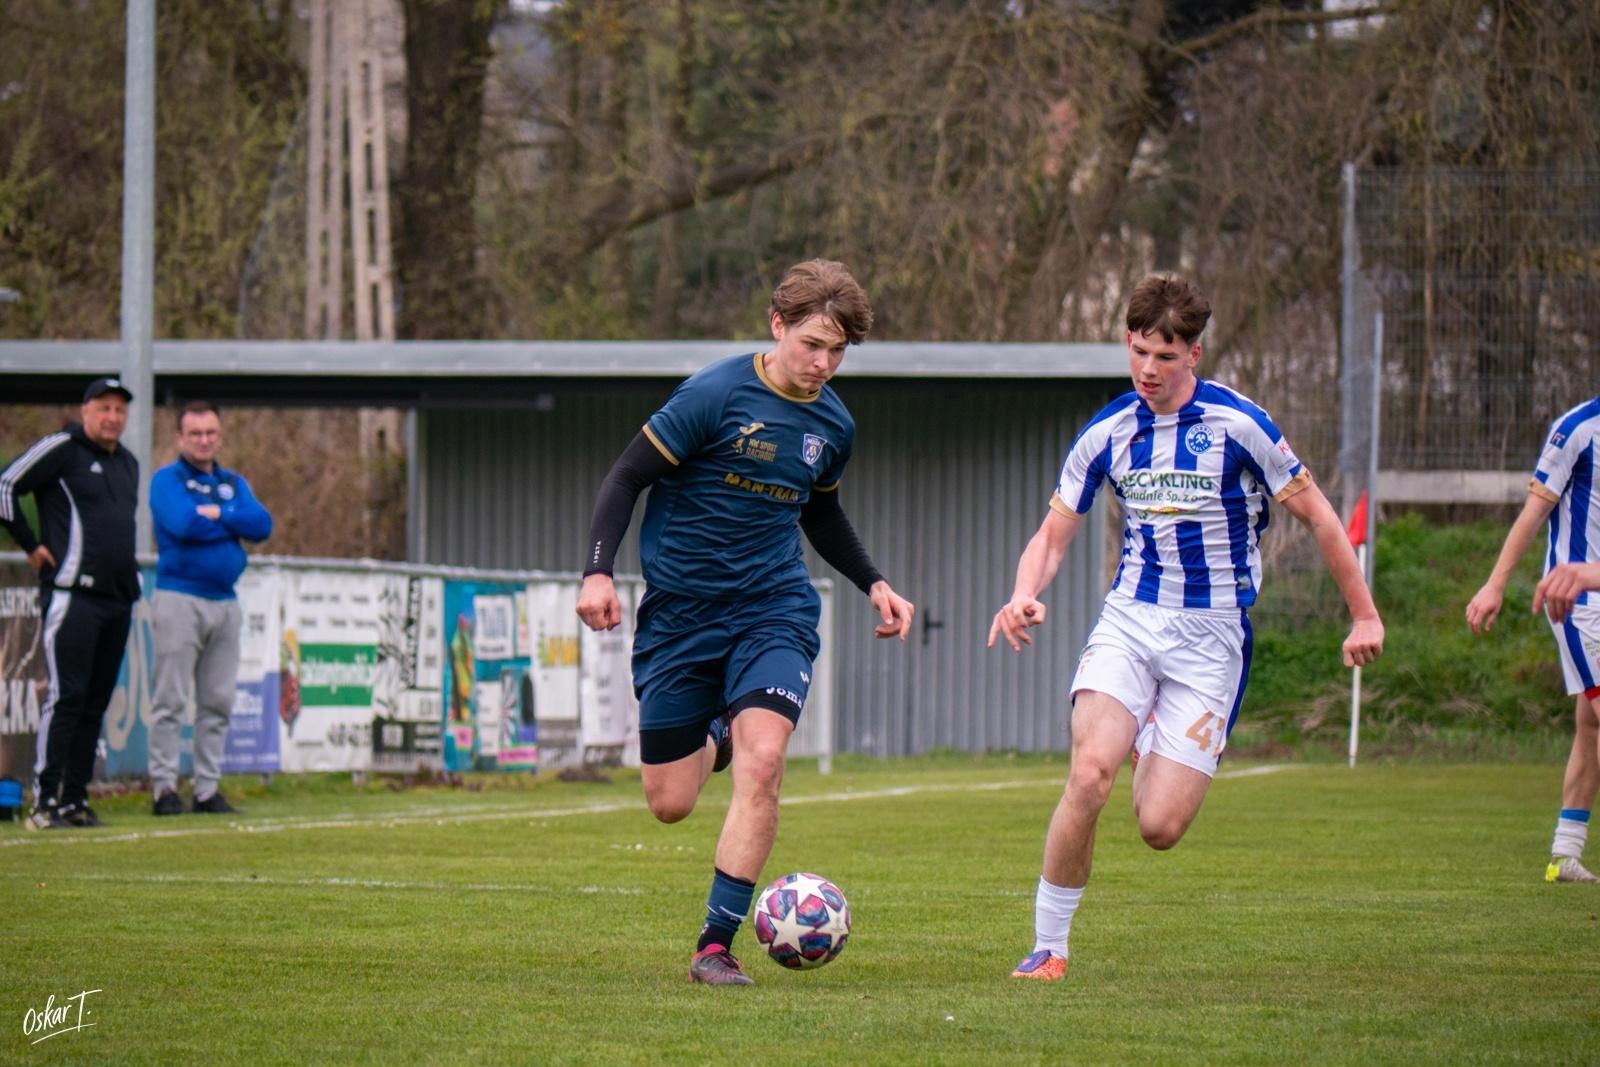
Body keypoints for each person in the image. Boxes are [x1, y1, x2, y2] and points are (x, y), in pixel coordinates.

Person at [987, 274, 1384, 981]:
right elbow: (1052, 535)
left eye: (1165, 357)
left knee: (1160, 828)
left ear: (1194, 354)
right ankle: (1049, 946)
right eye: (1138, 351)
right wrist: (1022, 593)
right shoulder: (1107, 432)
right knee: (1088, 774)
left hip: (1212, 637)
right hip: (1132, 621)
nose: (1148, 369)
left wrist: (1364, 613)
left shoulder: (1241, 426)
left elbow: (1321, 516)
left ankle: (1150, 736)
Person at [575, 259, 915, 986]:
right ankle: (717, 732)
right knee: (670, 803)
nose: (823, 364)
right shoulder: (712, 395)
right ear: (777, 325)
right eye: (812, 344)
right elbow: (626, 476)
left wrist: (873, 580)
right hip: (680, 616)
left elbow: (819, 510)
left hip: (773, 608)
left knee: (765, 761)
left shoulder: (834, 423)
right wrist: (597, 569)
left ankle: (714, 944)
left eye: (838, 351)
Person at [1467, 397, 1600, 884]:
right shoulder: (1578, 430)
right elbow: (1533, 513)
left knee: (1591, 725)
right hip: (1579, 606)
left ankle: (1564, 855)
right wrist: (1496, 583)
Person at [0, 377, 141, 829]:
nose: (112, 417)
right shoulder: (62, 448)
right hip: (73, 595)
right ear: (85, 410)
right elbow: (5, 486)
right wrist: (29, 543)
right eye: (103, 407)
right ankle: (44, 801)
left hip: (117, 599)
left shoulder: (129, 463)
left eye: (119, 409)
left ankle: (75, 799)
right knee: (67, 696)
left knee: (95, 702)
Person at [148, 401, 273, 815]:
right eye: (195, 433)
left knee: (217, 701)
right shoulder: (166, 480)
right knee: (170, 699)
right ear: (181, 437)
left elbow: (261, 525)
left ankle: (206, 789)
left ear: (219, 436)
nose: (203, 440)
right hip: (179, 598)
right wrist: (231, 524)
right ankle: (164, 789)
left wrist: (220, 512)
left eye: (210, 433)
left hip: (225, 602)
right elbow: (183, 524)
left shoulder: (232, 483)